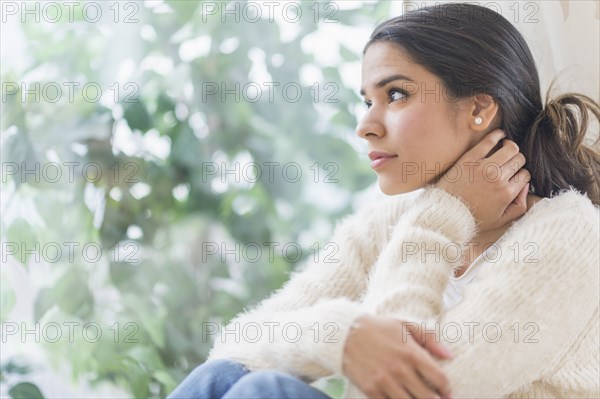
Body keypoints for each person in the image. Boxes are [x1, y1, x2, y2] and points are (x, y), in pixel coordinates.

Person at [168, 3, 600, 398]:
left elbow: (413, 392)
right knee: (222, 378)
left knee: (264, 391)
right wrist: (342, 337)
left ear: (479, 109)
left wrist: (443, 214)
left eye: (396, 94)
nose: (366, 126)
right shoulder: (387, 223)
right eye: (366, 101)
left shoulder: (568, 235)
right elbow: (239, 343)